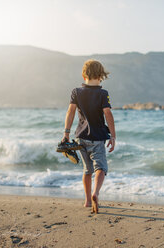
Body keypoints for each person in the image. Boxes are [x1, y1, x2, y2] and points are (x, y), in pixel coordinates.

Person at [62, 59, 116, 213]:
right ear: (101, 75)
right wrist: (113, 136)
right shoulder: (103, 94)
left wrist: (66, 133)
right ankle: (96, 193)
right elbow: (108, 114)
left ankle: (86, 201)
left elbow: (70, 112)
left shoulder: (76, 92)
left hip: (81, 137)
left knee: (87, 170)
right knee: (101, 167)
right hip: (98, 137)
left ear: (83, 74)